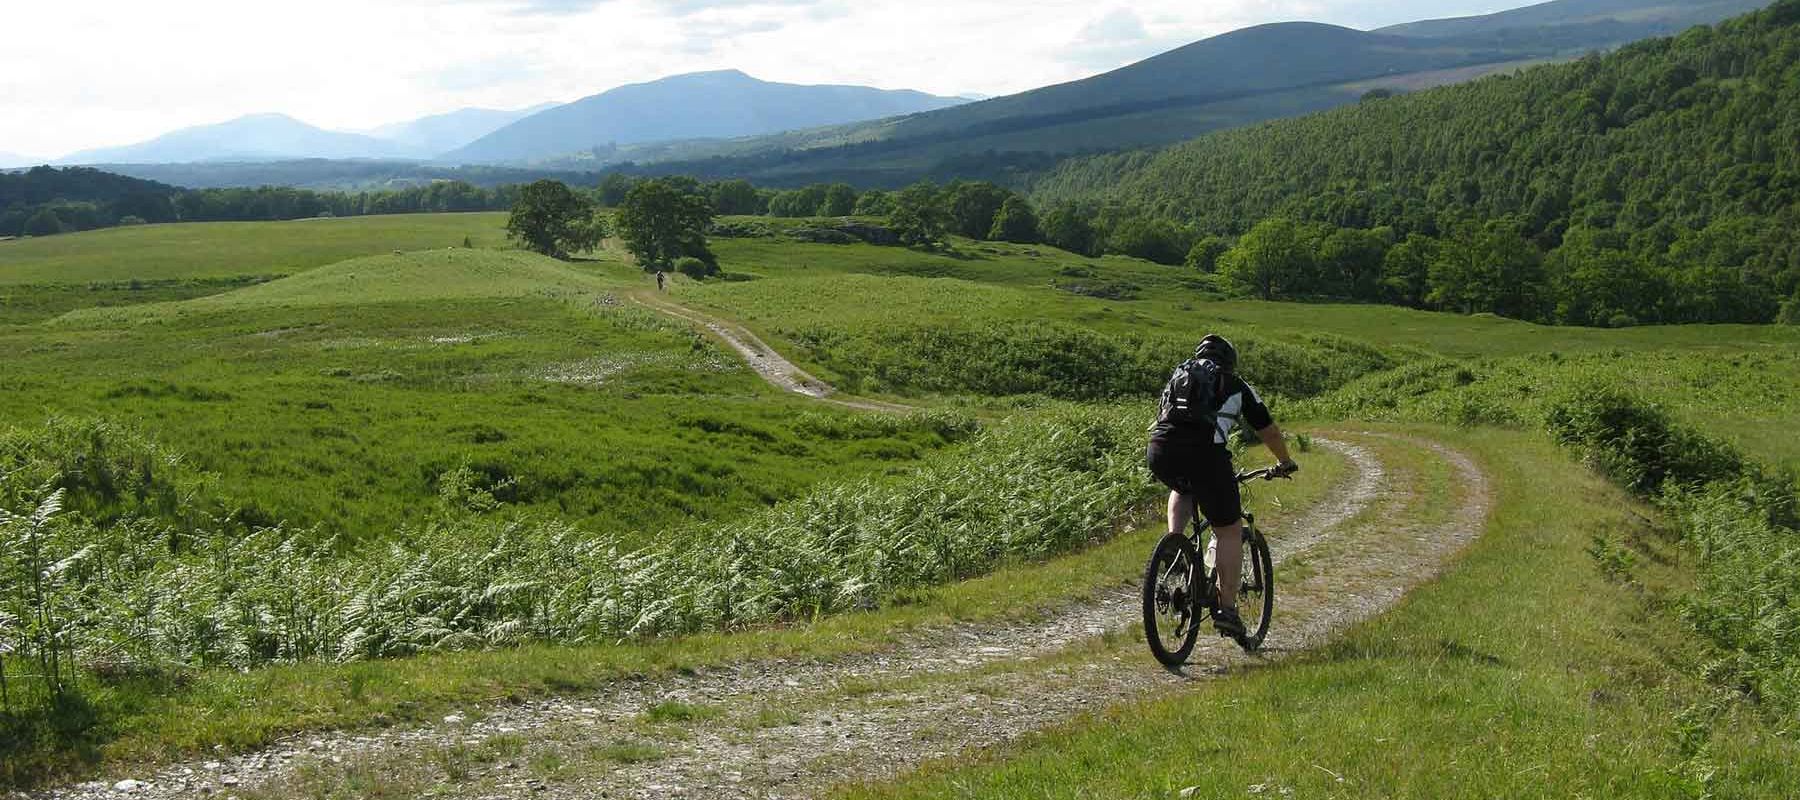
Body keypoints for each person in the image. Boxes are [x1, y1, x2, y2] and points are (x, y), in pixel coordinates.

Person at [1146, 334, 1298, 638]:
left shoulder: (1180, 376)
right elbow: (1267, 430)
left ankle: (1175, 546)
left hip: (1160, 451)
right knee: (1228, 529)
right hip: (1206, 456)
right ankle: (1227, 609)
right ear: (1230, 361)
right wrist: (1285, 462)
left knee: (1183, 486)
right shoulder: (1235, 384)